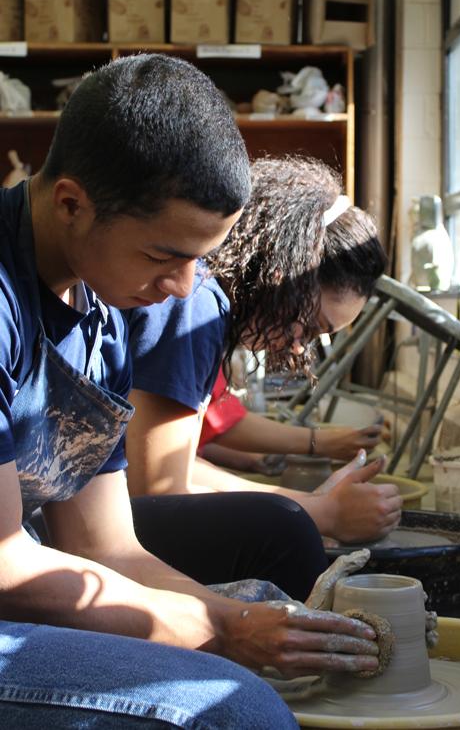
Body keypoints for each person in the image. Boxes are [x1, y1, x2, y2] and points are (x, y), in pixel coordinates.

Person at [0, 56, 378, 728]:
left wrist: (241, 618)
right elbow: (9, 568)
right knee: (237, 710)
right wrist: (222, 630)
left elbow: (104, 546)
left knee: (281, 618)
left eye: (200, 258)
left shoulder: (105, 312)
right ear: (70, 203)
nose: (183, 288)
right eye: (163, 256)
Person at [125, 157, 403, 560]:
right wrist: (321, 513)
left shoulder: (207, 300)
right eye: (308, 325)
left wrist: (307, 502)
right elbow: (158, 495)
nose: (296, 347)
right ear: (285, 269)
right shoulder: (195, 308)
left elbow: (171, 469)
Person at [198, 365, 385, 474]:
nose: (300, 349)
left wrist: (253, 459)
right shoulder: (197, 317)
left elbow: (197, 435)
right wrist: (320, 442)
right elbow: (218, 421)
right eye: (317, 326)